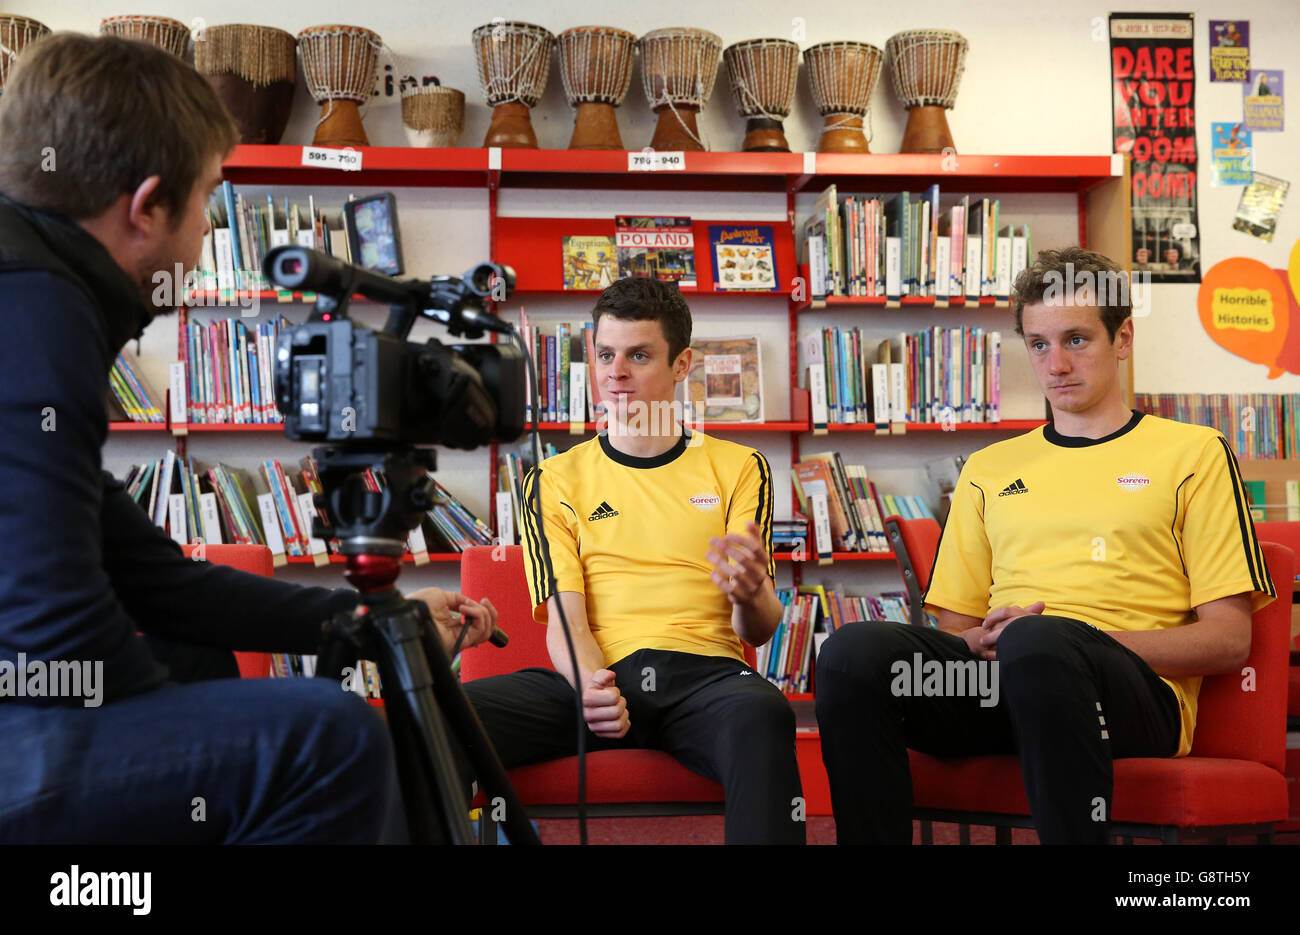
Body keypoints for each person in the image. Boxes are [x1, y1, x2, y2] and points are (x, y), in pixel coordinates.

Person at [0, 32, 499, 844]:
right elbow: (57, 635)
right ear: (147, 205)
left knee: (222, 681)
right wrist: (183, 752)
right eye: (208, 201)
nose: (203, 239)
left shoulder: (29, 286)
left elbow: (152, 578)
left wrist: (358, 620)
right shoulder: (37, 311)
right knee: (324, 735)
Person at [814, 246, 1275, 844]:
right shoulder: (987, 467)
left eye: (1076, 339)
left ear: (1123, 338)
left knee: (1041, 640)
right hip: (997, 687)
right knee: (854, 653)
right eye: (1038, 344)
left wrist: (1079, 646)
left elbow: (1228, 640)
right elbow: (956, 633)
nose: (1056, 363)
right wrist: (980, 641)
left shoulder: (1195, 453)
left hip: (1131, 699)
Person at [461, 276, 805, 844]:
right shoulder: (552, 479)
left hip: (707, 680)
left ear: (682, 364)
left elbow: (760, 629)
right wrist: (593, 687)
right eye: (605, 354)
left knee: (762, 715)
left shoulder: (741, 467)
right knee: (441, 715)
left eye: (639, 355)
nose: (616, 372)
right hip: (597, 676)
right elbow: (567, 621)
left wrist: (750, 592)